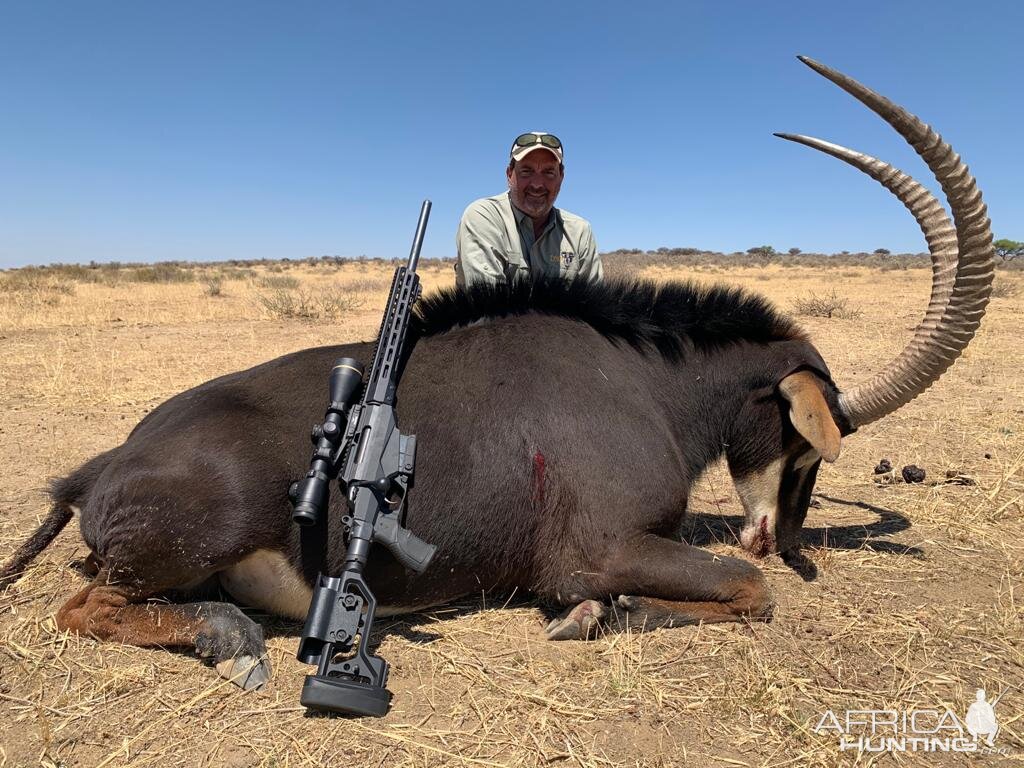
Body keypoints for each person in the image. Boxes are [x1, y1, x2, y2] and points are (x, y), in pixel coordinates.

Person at [455, 132, 602, 289]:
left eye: (548, 172)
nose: (537, 184)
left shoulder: (579, 232)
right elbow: (490, 308)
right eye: (526, 171)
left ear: (561, 177)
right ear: (509, 174)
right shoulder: (483, 217)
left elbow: (596, 308)